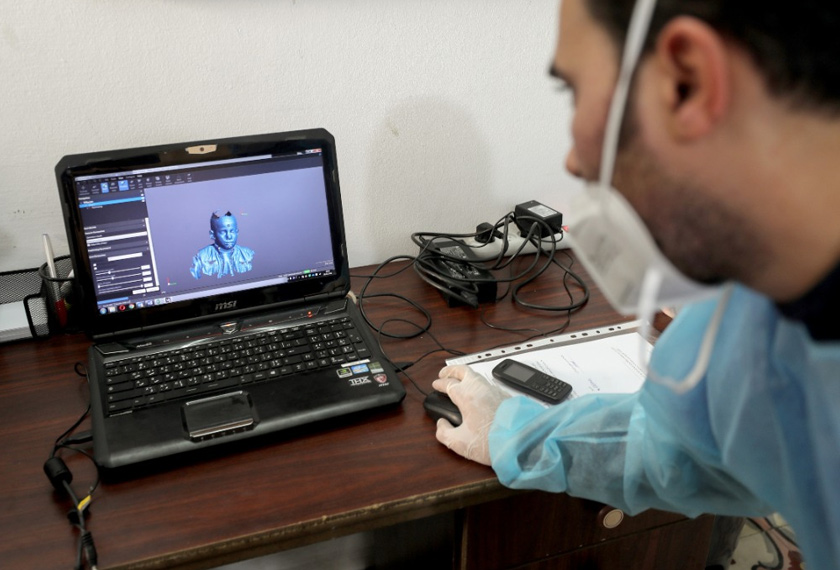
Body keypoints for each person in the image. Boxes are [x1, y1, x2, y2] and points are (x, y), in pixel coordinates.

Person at [431, 1, 840, 569]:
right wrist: (516, 433)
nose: (574, 161)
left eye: (571, 92)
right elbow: (692, 445)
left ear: (687, 81)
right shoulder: (759, 305)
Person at [190, 211, 255, 279]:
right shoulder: (200, 257)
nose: (229, 236)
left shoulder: (249, 254)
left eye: (232, 231)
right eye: (223, 232)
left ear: (237, 232)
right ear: (212, 235)